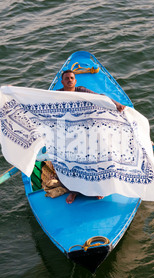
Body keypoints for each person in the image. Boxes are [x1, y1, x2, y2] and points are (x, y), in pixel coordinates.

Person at [56, 69, 126, 204]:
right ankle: (74, 191)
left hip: (85, 132)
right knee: (71, 163)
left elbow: (101, 98)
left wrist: (116, 104)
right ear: (62, 82)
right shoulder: (57, 94)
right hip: (68, 134)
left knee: (91, 160)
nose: (69, 80)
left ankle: (97, 189)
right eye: (67, 78)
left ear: (75, 81)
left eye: (72, 78)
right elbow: (36, 100)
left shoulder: (81, 90)